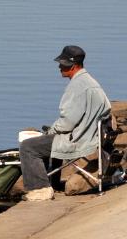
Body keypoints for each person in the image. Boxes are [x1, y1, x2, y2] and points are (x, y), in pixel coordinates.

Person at [19, 45, 112, 201]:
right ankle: (53, 184)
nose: (59, 67)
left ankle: (40, 189)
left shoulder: (77, 86)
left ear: (73, 66)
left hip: (79, 140)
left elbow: (67, 124)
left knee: (28, 147)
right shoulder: (91, 81)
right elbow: (106, 109)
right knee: (47, 141)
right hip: (91, 136)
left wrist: (50, 131)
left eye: (62, 64)